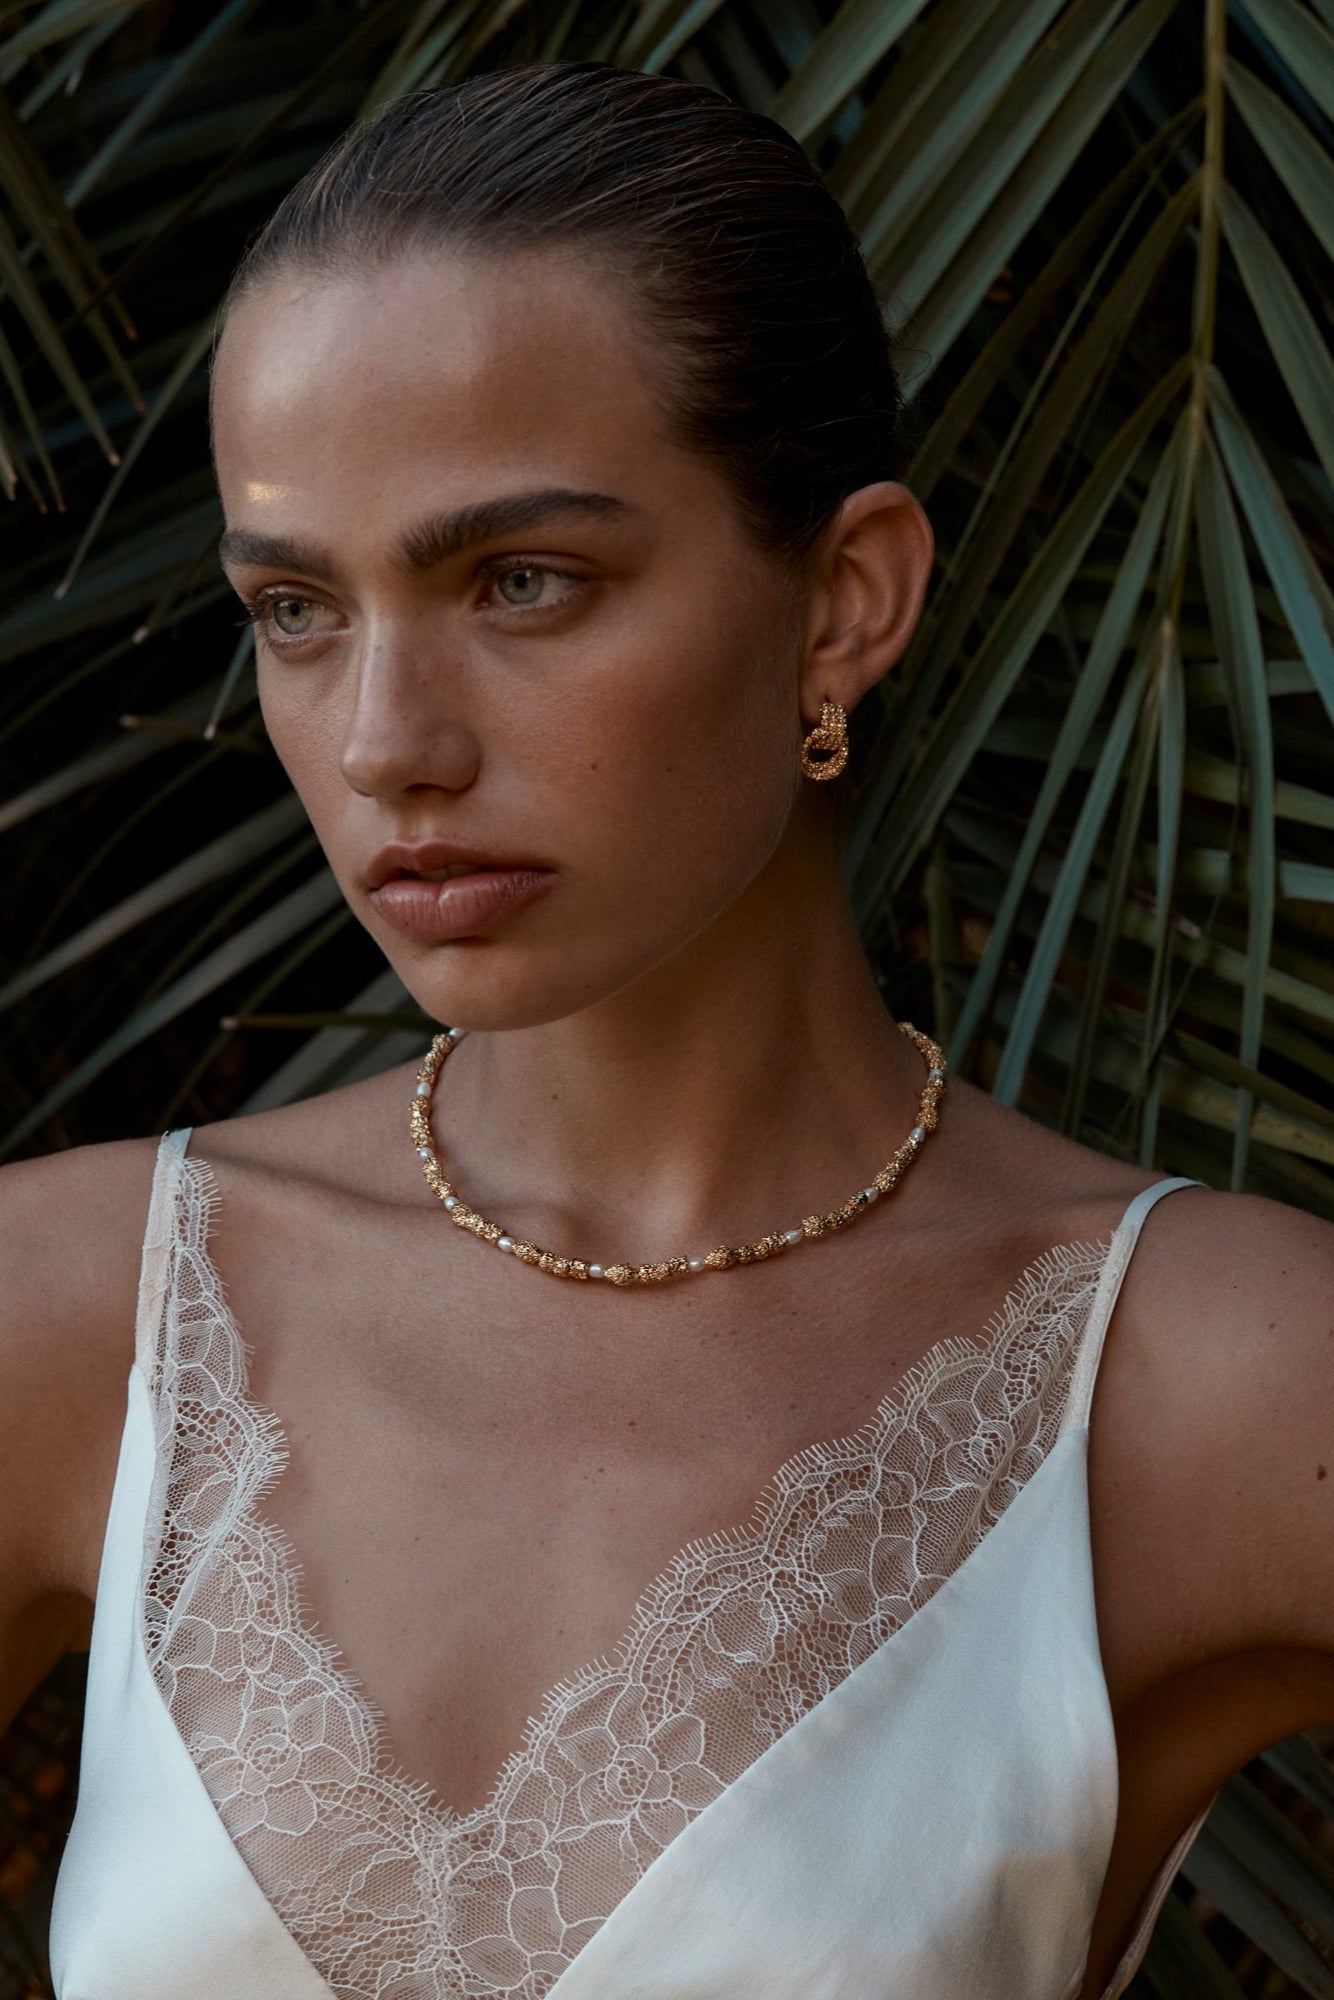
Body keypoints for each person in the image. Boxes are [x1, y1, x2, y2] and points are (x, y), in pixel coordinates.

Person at [1, 57, 1330, 2000]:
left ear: (844, 602)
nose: (386, 743)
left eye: (520, 581)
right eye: (297, 610)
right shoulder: (76, 1309)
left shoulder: (1204, 1382)